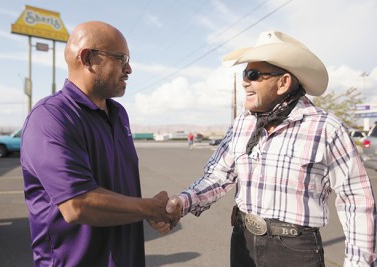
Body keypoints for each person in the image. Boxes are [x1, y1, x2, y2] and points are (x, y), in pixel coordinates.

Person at [156, 31, 377, 266]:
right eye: (244, 74)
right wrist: (182, 202)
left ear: (283, 82)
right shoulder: (243, 123)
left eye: (253, 75)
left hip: (296, 252)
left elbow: (357, 201)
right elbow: (218, 176)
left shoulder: (327, 129)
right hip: (243, 243)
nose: (244, 82)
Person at [20, 21, 178, 267]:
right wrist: (150, 208)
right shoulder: (50, 117)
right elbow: (77, 204)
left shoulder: (118, 114)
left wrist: (145, 210)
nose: (129, 69)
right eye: (121, 58)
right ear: (88, 59)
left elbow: (117, 191)